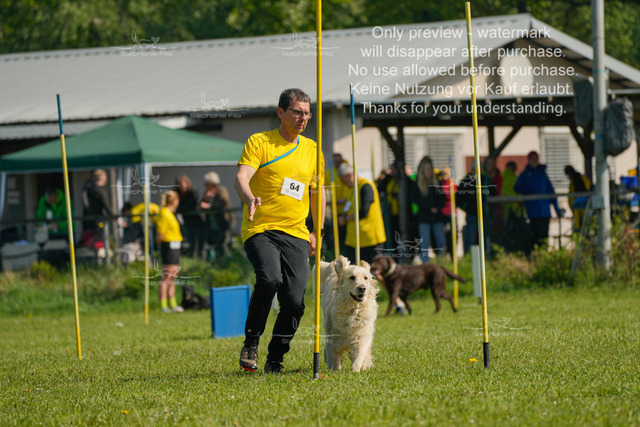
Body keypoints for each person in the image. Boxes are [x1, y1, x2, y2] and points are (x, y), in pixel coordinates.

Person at [234, 88, 325, 374]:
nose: (303, 118)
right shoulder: (260, 142)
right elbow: (241, 177)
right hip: (261, 228)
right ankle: (251, 343)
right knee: (269, 279)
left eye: (307, 113)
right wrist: (249, 197)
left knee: (295, 302)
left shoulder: (312, 149)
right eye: (297, 112)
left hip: (297, 233)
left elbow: (317, 191)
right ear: (280, 112)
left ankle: (275, 359)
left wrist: (317, 231)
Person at [514, 151, 564, 255]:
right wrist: (529, 190)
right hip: (533, 211)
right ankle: (533, 254)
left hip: (545, 211)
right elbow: (517, 187)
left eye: (535, 159)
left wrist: (557, 209)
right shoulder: (525, 174)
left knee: (544, 235)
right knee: (536, 233)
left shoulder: (542, 174)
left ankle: (543, 255)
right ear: (529, 160)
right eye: (532, 159)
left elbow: (551, 192)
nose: (534, 161)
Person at [337, 162, 386, 264]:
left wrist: (345, 219)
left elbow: (364, 212)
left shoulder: (366, 186)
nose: (343, 184)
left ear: (350, 175)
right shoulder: (352, 188)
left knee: (372, 269)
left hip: (370, 239)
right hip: (354, 238)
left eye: (343, 180)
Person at [411, 156, 447, 262]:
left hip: (437, 216)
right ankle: (425, 264)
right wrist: (428, 208)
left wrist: (437, 208)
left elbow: (442, 197)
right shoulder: (418, 183)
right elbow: (414, 198)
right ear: (423, 170)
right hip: (424, 217)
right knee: (424, 243)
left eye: (431, 168)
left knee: (441, 240)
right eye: (427, 169)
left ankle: (442, 262)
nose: (429, 171)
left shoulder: (436, 182)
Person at [456, 163, 496, 255]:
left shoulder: (486, 180)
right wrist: (468, 207)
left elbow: (494, 195)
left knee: (485, 237)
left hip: (485, 214)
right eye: (473, 169)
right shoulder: (466, 181)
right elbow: (459, 198)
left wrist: (490, 211)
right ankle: (468, 256)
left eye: (477, 169)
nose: (475, 171)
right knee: (470, 237)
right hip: (472, 214)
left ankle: (486, 255)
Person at [155, 190, 184, 313]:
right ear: (174, 201)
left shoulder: (171, 213)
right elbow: (160, 234)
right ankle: (164, 305)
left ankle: (173, 304)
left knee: (173, 276)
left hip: (175, 246)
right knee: (167, 276)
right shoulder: (164, 213)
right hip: (168, 246)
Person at [200, 171, 233, 260]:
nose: (205, 187)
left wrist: (209, 205)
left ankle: (227, 262)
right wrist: (206, 198)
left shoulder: (222, 191)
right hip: (212, 225)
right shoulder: (206, 193)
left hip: (223, 223)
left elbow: (222, 204)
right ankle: (217, 263)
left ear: (212, 184)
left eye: (207, 184)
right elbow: (201, 205)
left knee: (223, 245)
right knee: (214, 246)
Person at [501, 161, 526, 253]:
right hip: (513, 211)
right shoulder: (512, 178)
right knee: (515, 233)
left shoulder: (504, 177)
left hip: (508, 211)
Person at [175, 174, 203, 258]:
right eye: (180, 184)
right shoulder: (177, 193)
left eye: (183, 183)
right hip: (186, 221)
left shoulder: (192, 192)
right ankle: (191, 257)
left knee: (199, 241)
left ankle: (199, 258)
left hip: (197, 220)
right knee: (190, 241)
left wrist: (180, 209)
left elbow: (191, 205)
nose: (182, 185)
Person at [81, 169, 112, 234]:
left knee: (92, 236)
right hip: (99, 219)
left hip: (89, 219)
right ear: (104, 179)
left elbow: (85, 201)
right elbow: (106, 206)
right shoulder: (101, 191)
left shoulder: (89, 189)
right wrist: (114, 217)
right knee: (102, 234)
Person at [564, 165, 591, 232]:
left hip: (580, 208)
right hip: (579, 208)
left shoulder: (577, 180)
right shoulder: (579, 179)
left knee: (581, 227)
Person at [438, 166, 457, 259]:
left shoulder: (453, 185)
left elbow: (456, 196)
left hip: (452, 213)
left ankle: (453, 254)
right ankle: (444, 254)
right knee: (443, 236)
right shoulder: (440, 185)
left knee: (453, 235)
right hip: (442, 213)